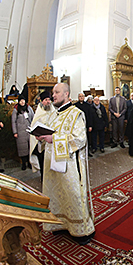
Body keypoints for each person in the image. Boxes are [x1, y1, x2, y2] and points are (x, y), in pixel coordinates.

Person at [36, 83, 95, 245]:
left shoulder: (76, 114)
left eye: (56, 92)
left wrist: (52, 139)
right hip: (52, 164)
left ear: (66, 94)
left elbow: (80, 139)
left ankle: (81, 230)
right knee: (56, 193)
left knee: (72, 193)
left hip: (69, 167)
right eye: (53, 92)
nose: (53, 95)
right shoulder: (53, 115)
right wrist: (41, 137)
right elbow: (48, 134)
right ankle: (60, 224)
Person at [29, 90, 56, 182]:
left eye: (49, 99)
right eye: (46, 100)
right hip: (42, 144)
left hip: (52, 142)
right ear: (41, 101)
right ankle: (44, 180)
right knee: (43, 163)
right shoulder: (38, 113)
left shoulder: (54, 112)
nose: (48, 101)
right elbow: (34, 126)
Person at [12, 95, 35, 170]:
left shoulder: (29, 108)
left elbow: (33, 117)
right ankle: (23, 163)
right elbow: (13, 121)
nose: (22, 102)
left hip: (28, 131)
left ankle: (29, 163)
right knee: (22, 148)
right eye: (21, 101)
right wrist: (15, 132)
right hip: (20, 132)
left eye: (23, 100)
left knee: (29, 147)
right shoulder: (16, 110)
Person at [74, 93, 93, 157]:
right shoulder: (75, 106)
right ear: (78, 97)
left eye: (82, 96)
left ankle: (87, 152)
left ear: (84, 97)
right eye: (80, 96)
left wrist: (90, 125)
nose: (81, 97)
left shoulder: (88, 105)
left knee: (86, 139)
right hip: (77, 126)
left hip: (86, 125)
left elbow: (90, 116)